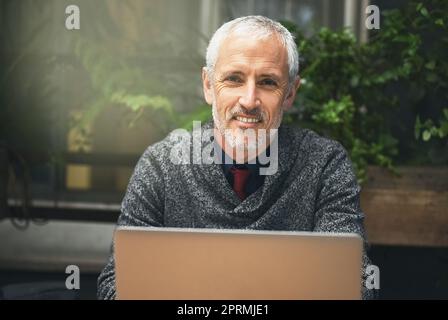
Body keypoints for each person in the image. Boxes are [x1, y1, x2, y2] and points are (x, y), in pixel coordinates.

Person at [98, 15, 376, 300]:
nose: (249, 100)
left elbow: (357, 285)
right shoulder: (161, 165)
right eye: (234, 79)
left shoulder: (324, 165)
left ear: (290, 93)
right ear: (208, 85)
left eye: (268, 82)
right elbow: (115, 285)